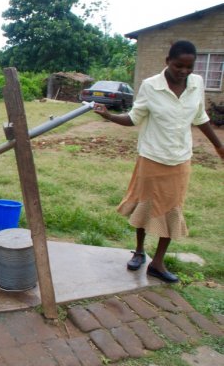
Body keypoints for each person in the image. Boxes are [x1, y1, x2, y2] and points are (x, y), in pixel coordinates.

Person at [93, 40, 224, 283]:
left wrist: (218, 145)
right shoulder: (150, 86)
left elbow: (200, 117)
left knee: (172, 211)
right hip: (152, 157)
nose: (184, 71)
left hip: (180, 159)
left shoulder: (196, 84)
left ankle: (158, 263)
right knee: (145, 207)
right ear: (167, 62)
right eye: (178, 66)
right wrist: (109, 115)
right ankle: (140, 251)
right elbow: (134, 118)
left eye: (189, 67)